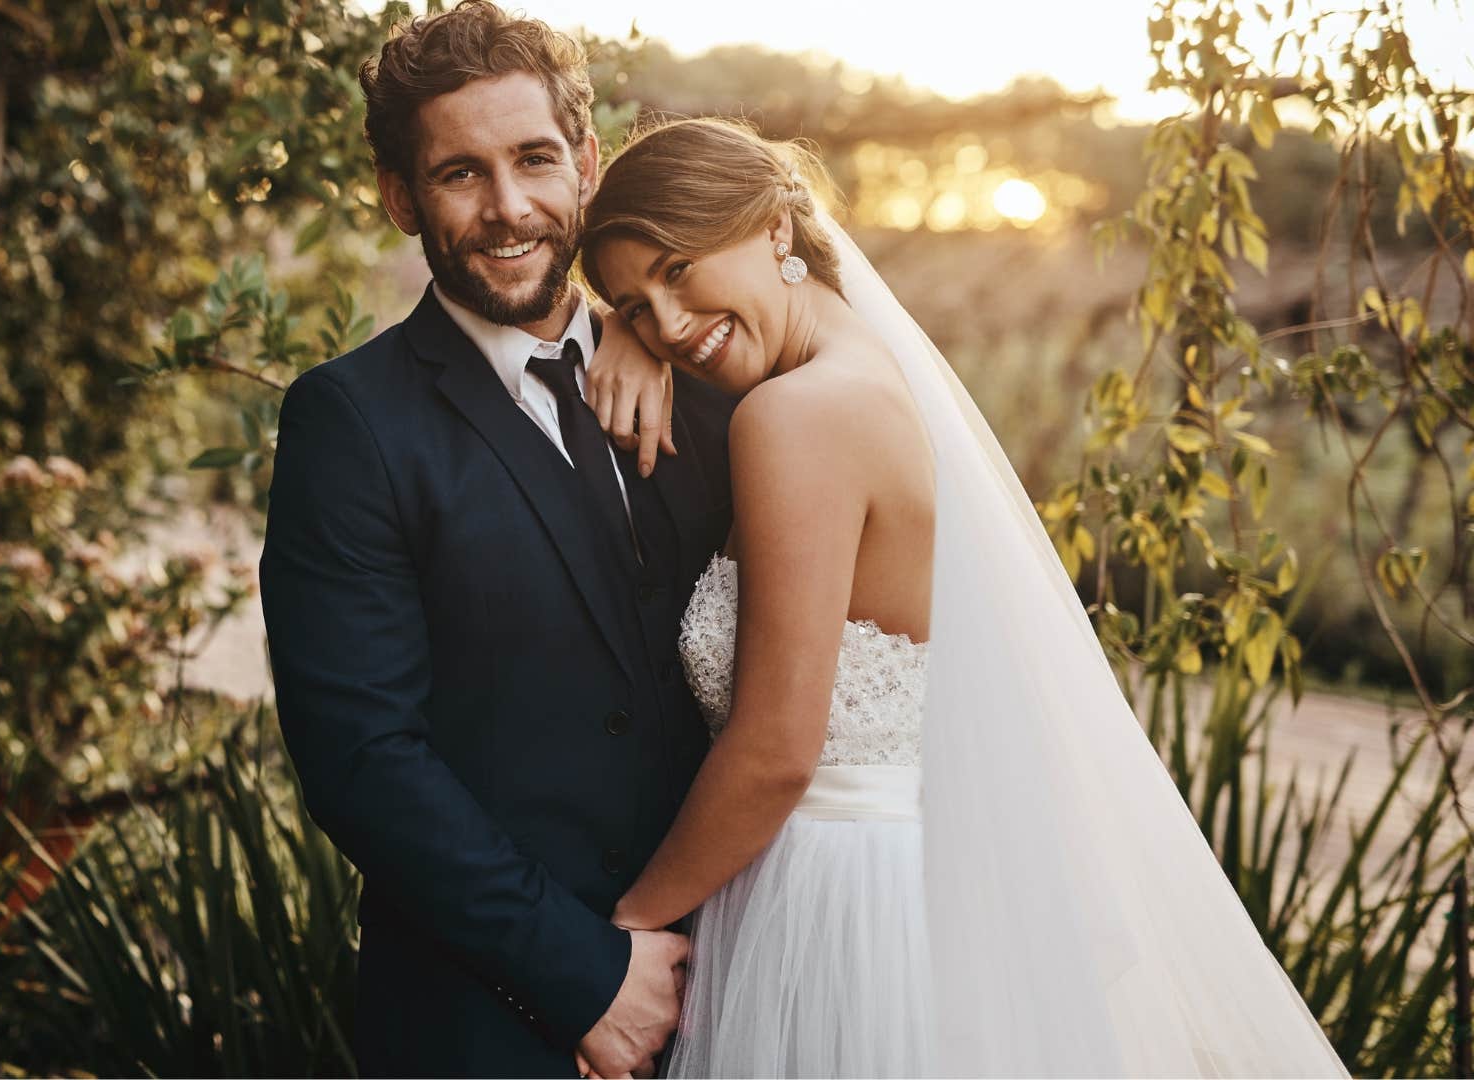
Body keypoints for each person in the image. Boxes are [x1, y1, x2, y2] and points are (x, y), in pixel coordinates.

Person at [577, 117, 1349, 1077]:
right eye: (634, 304)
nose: (669, 323)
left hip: (819, 900)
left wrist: (621, 941)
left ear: (776, 228)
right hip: (903, 887)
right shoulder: (872, 376)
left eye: (679, 269)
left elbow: (777, 750)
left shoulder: (794, 417)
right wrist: (617, 329)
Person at [258, 5, 734, 1076]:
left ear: (587, 163)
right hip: (487, 1025)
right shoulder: (351, 423)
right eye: (460, 174)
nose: (509, 207)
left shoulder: (705, 383)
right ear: (400, 197)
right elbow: (362, 761)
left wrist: (642, 327)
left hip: (742, 992)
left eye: (534, 159)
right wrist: (583, 979)